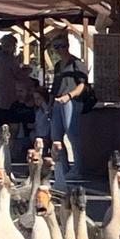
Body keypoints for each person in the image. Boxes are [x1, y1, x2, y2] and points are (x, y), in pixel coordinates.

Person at [39, 31, 88, 182]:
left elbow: (83, 85)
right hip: (58, 101)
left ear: (67, 46)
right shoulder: (58, 65)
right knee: (56, 136)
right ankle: (63, 167)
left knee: (72, 134)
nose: (60, 49)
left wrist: (70, 96)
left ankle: (78, 168)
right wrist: (50, 105)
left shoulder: (76, 63)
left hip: (71, 100)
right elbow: (54, 88)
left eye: (62, 46)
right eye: (56, 47)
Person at [0, 33, 42, 161]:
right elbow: (18, 75)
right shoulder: (9, 59)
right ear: (11, 45)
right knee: (13, 127)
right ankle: (8, 153)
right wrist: (31, 83)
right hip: (9, 99)